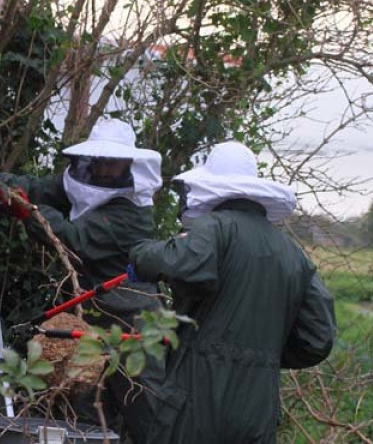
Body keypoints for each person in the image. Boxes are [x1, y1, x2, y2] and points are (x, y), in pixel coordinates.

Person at [123, 141, 337, 444]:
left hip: (195, 406)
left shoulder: (215, 227)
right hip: (258, 414)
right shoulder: (293, 253)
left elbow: (186, 264)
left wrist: (141, 255)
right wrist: (262, 354)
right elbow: (318, 338)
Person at [0, 117, 166, 431]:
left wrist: (29, 210)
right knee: (85, 412)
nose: (102, 170)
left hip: (132, 323)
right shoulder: (80, 184)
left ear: (128, 164)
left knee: (144, 413)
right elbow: (31, 189)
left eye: (111, 164)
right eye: (98, 162)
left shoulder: (132, 213)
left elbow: (72, 239)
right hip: (88, 315)